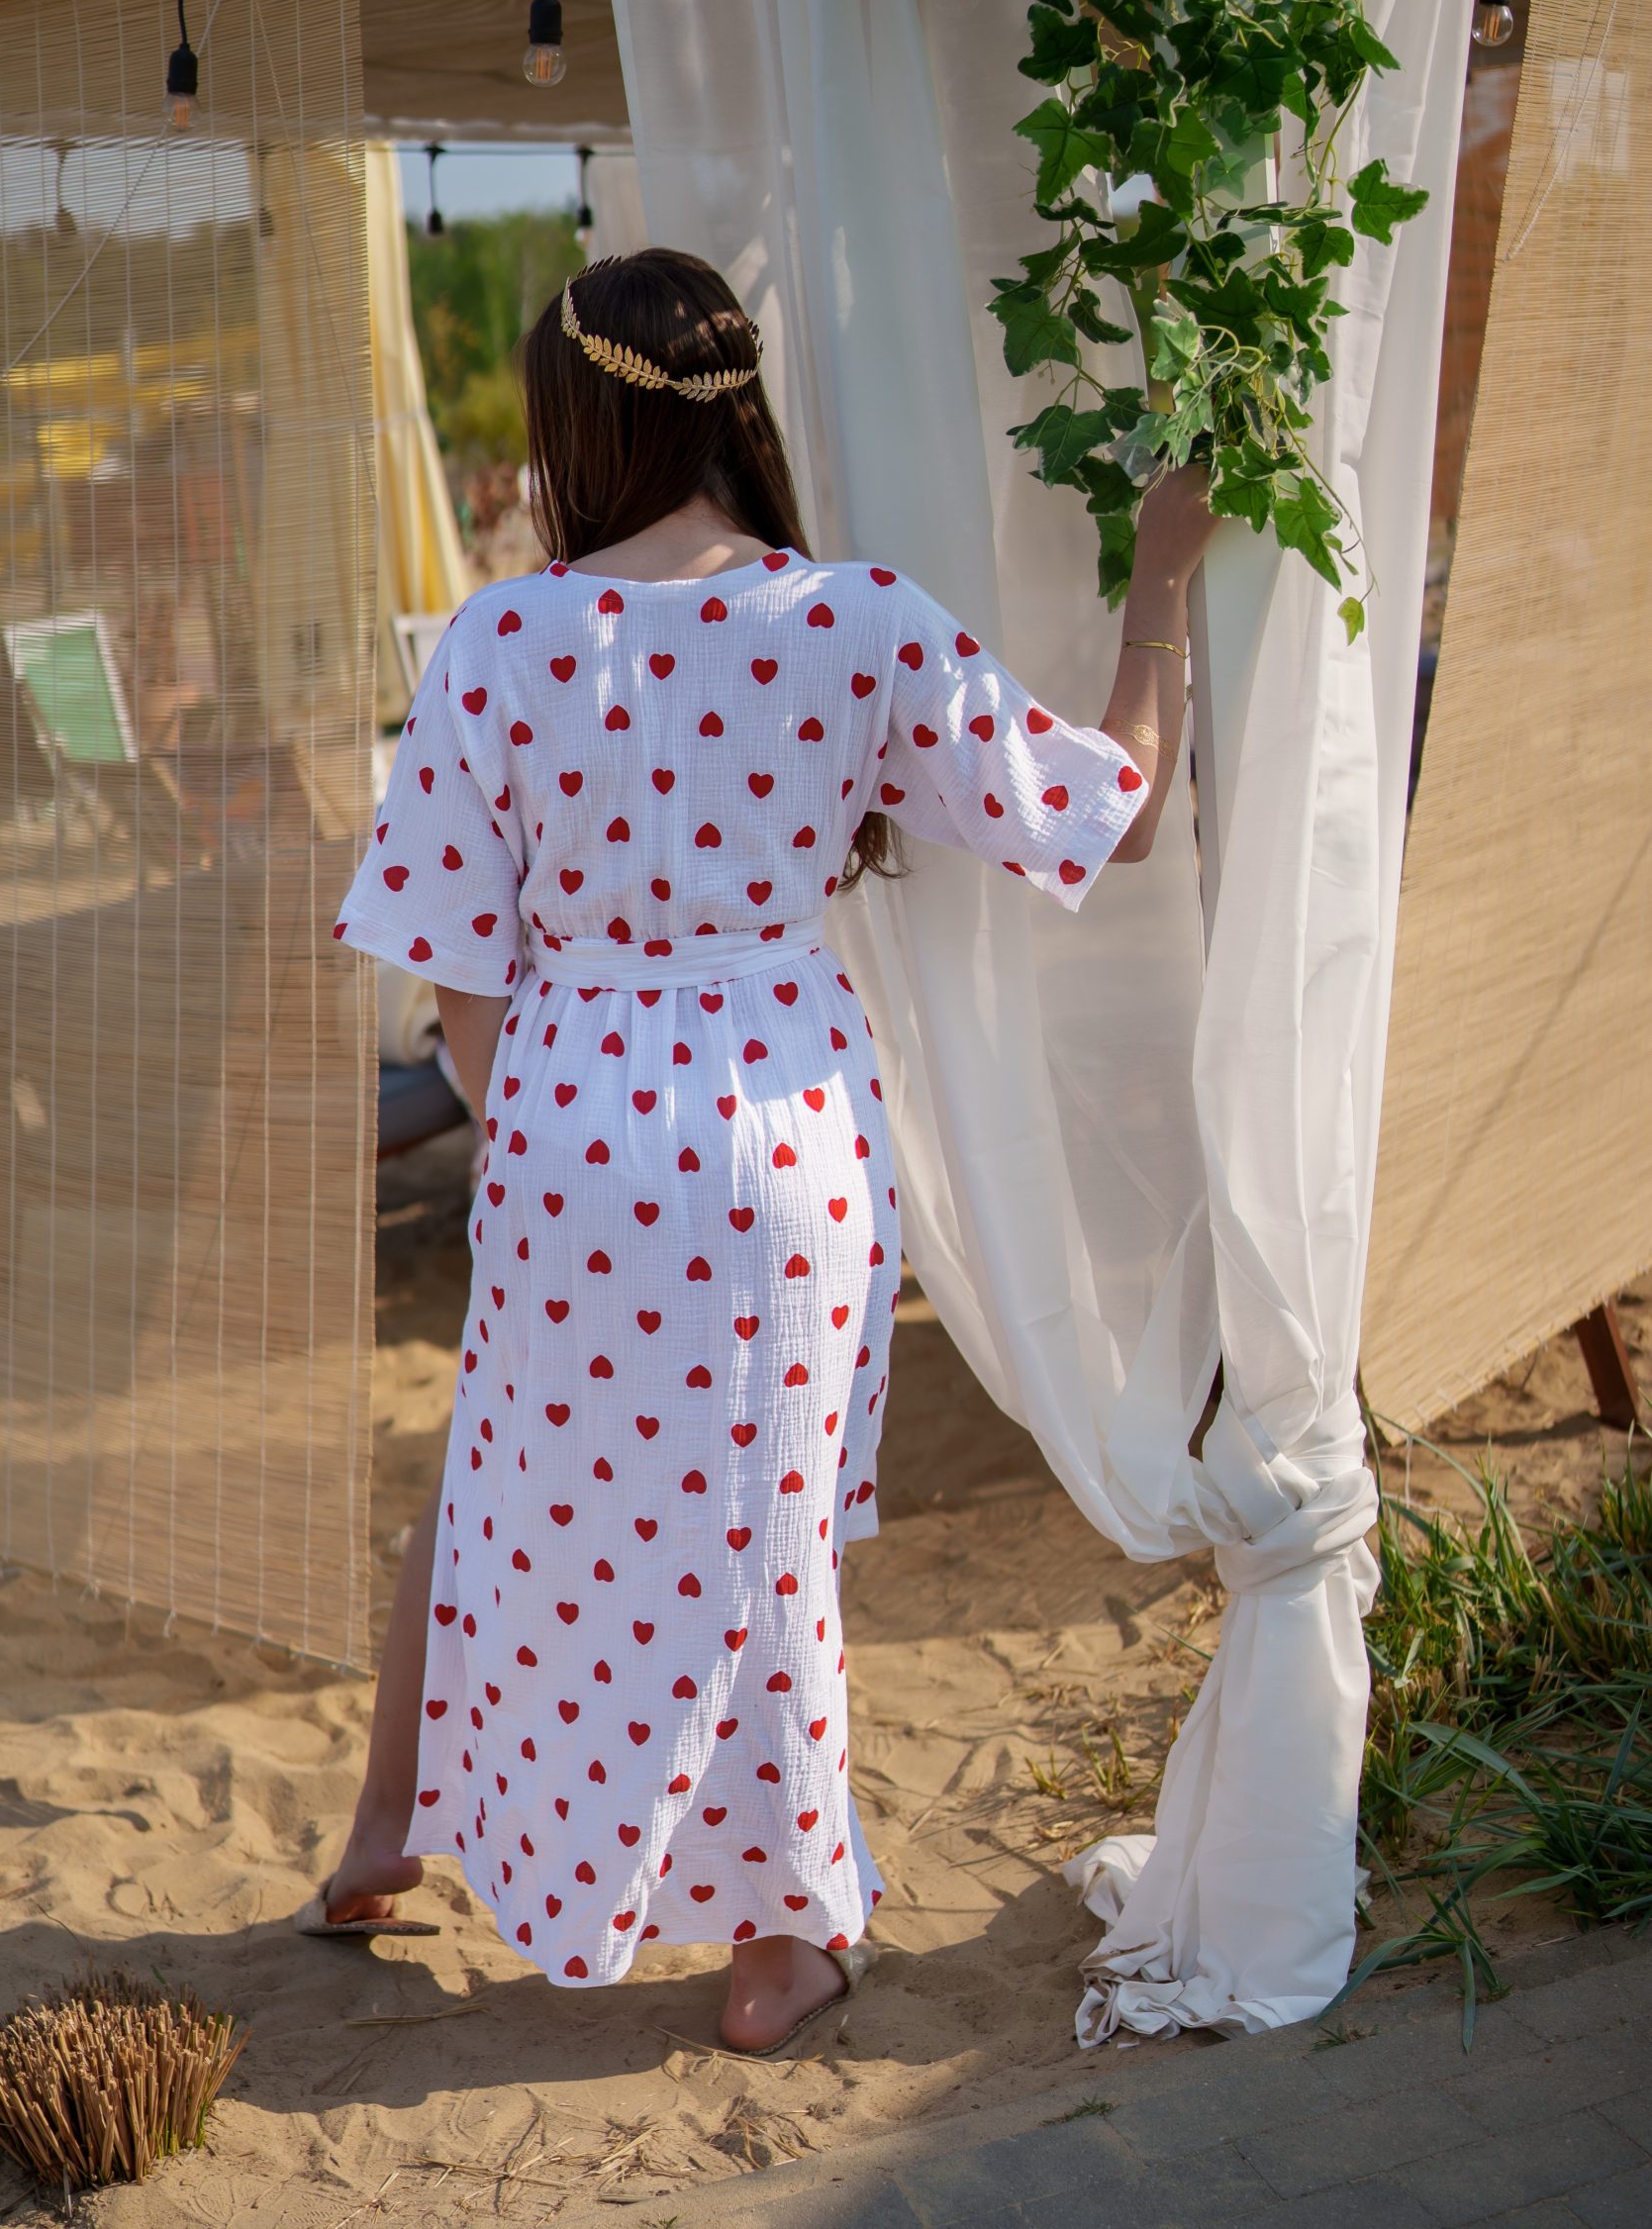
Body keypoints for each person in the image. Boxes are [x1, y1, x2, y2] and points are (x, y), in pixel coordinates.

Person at [316, 248, 1213, 2052]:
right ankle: (778, 1942)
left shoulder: (500, 640)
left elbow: (453, 973)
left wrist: (547, 1125)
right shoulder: (853, 621)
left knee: (504, 1486)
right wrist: (1162, 588)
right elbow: (1104, 814)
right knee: (758, 1539)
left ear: (572, 427)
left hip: (566, 1126)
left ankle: (392, 1827)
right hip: (779, 1134)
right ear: (737, 413)